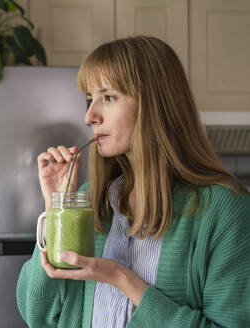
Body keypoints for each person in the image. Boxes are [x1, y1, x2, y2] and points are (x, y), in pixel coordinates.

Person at [16, 36, 250, 328]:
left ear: (156, 104)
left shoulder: (224, 209)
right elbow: (36, 313)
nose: (90, 116)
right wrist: (56, 208)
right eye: (90, 99)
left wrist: (120, 277)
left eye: (108, 97)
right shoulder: (90, 202)